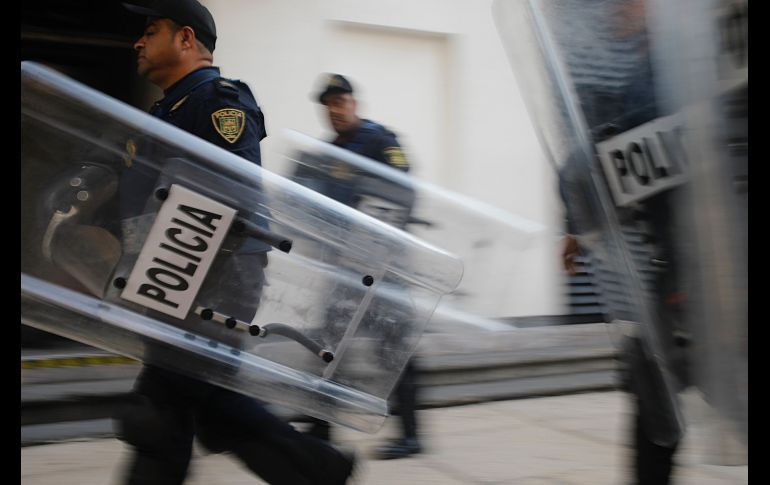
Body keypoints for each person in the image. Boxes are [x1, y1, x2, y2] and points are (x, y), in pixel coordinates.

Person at [114, 2, 355, 484]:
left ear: (185, 39)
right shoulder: (171, 106)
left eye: (151, 31)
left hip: (206, 281)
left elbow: (228, 199)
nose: (138, 42)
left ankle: (320, 469)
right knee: (195, 409)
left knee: (165, 410)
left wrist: (168, 278)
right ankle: (318, 469)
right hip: (174, 279)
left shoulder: (218, 102)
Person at [558, 2, 690, 483]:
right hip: (678, 271)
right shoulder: (645, 70)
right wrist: (579, 219)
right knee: (655, 398)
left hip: (698, 271)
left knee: (656, 398)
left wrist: (578, 201)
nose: (611, 11)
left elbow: (609, 151)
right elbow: (612, 155)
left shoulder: (674, 72)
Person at [302, 73, 423, 460]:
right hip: (344, 272)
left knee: (396, 351)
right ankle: (320, 428)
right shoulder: (326, 153)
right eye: (328, 105)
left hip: (383, 268)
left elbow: (402, 194)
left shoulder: (382, 143)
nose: (334, 111)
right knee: (327, 348)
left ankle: (412, 436)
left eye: (340, 102)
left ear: (354, 103)